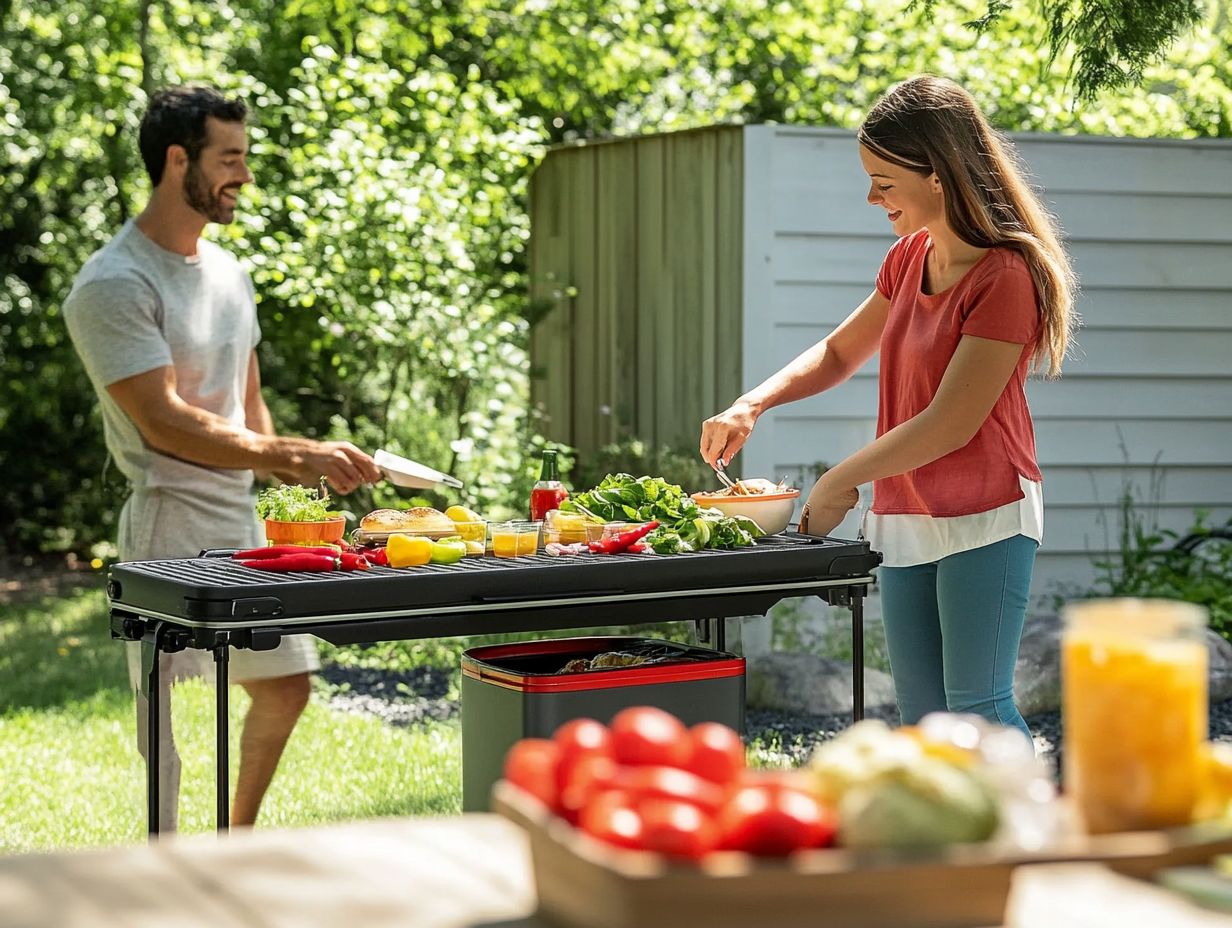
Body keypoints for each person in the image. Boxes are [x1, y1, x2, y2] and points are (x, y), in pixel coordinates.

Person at [700, 76, 1077, 742]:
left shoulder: (1006, 276)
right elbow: (840, 354)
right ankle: (944, 847)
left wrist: (840, 479)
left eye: (883, 181)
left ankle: (1031, 835)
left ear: (937, 175)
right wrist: (751, 404)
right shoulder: (907, 260)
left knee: (978, 708)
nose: (872, 198)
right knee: (925, 721)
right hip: (907, 513)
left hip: (986, 513)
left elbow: (951, 423)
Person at [63, 85, 383, 829]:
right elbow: (165, 423)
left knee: (285, 684)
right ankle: (169, 864)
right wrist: (295, 453)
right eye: (229, 158)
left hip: (243, 525)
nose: (243, 175)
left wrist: (290, 488)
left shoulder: (230, 274)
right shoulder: (114, 283)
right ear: (179, 161)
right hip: (168, 523)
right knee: (168, 726)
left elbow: (247, 405)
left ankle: (232, 843)